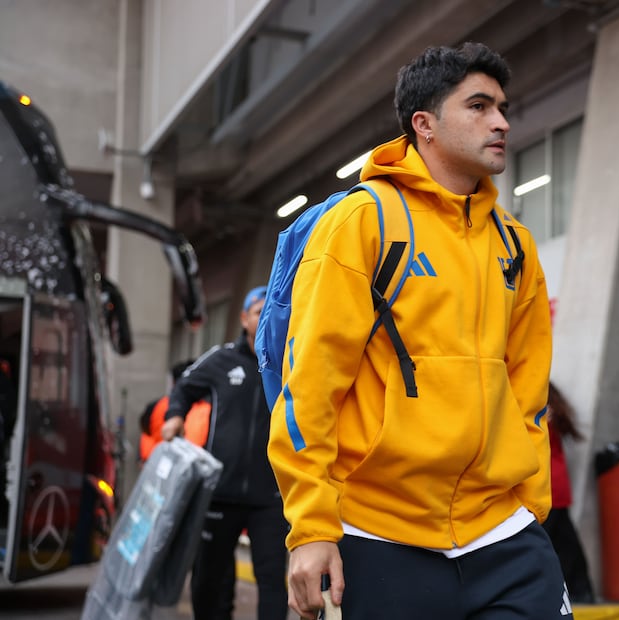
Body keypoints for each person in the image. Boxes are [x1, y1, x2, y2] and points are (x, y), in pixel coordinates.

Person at [267, 42, 568, 619]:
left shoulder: (514, 245)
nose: (501, 121)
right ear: (423, 124)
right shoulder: (363, 220)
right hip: (381, 536)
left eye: (503, 107)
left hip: (503, 535)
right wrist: (310, 528)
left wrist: (532, 506)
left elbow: (529, 390)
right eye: (479, 106)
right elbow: (309, 388)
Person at [162, 286, 289, 620]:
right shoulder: (221, 360)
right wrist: (174, 415)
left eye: (271, 311)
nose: (264, 318)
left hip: (270, 496)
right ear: (244, 318)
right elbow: (185, 386)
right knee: (209, 578)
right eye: (258, 311)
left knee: (274, 579)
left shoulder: (289, 362)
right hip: (220, 493)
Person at [544, 383, 595, 604]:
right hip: (555, 491)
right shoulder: (551, 420)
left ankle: (576, 591)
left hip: (548, 491)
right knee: (566, 543)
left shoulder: (542, 422)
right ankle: (581, 591)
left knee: (553, 546)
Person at [138, 359, 210, 462]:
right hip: (191, 466)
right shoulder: (207, 407)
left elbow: (145, 430)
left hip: (158, 463)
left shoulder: (157, 405)